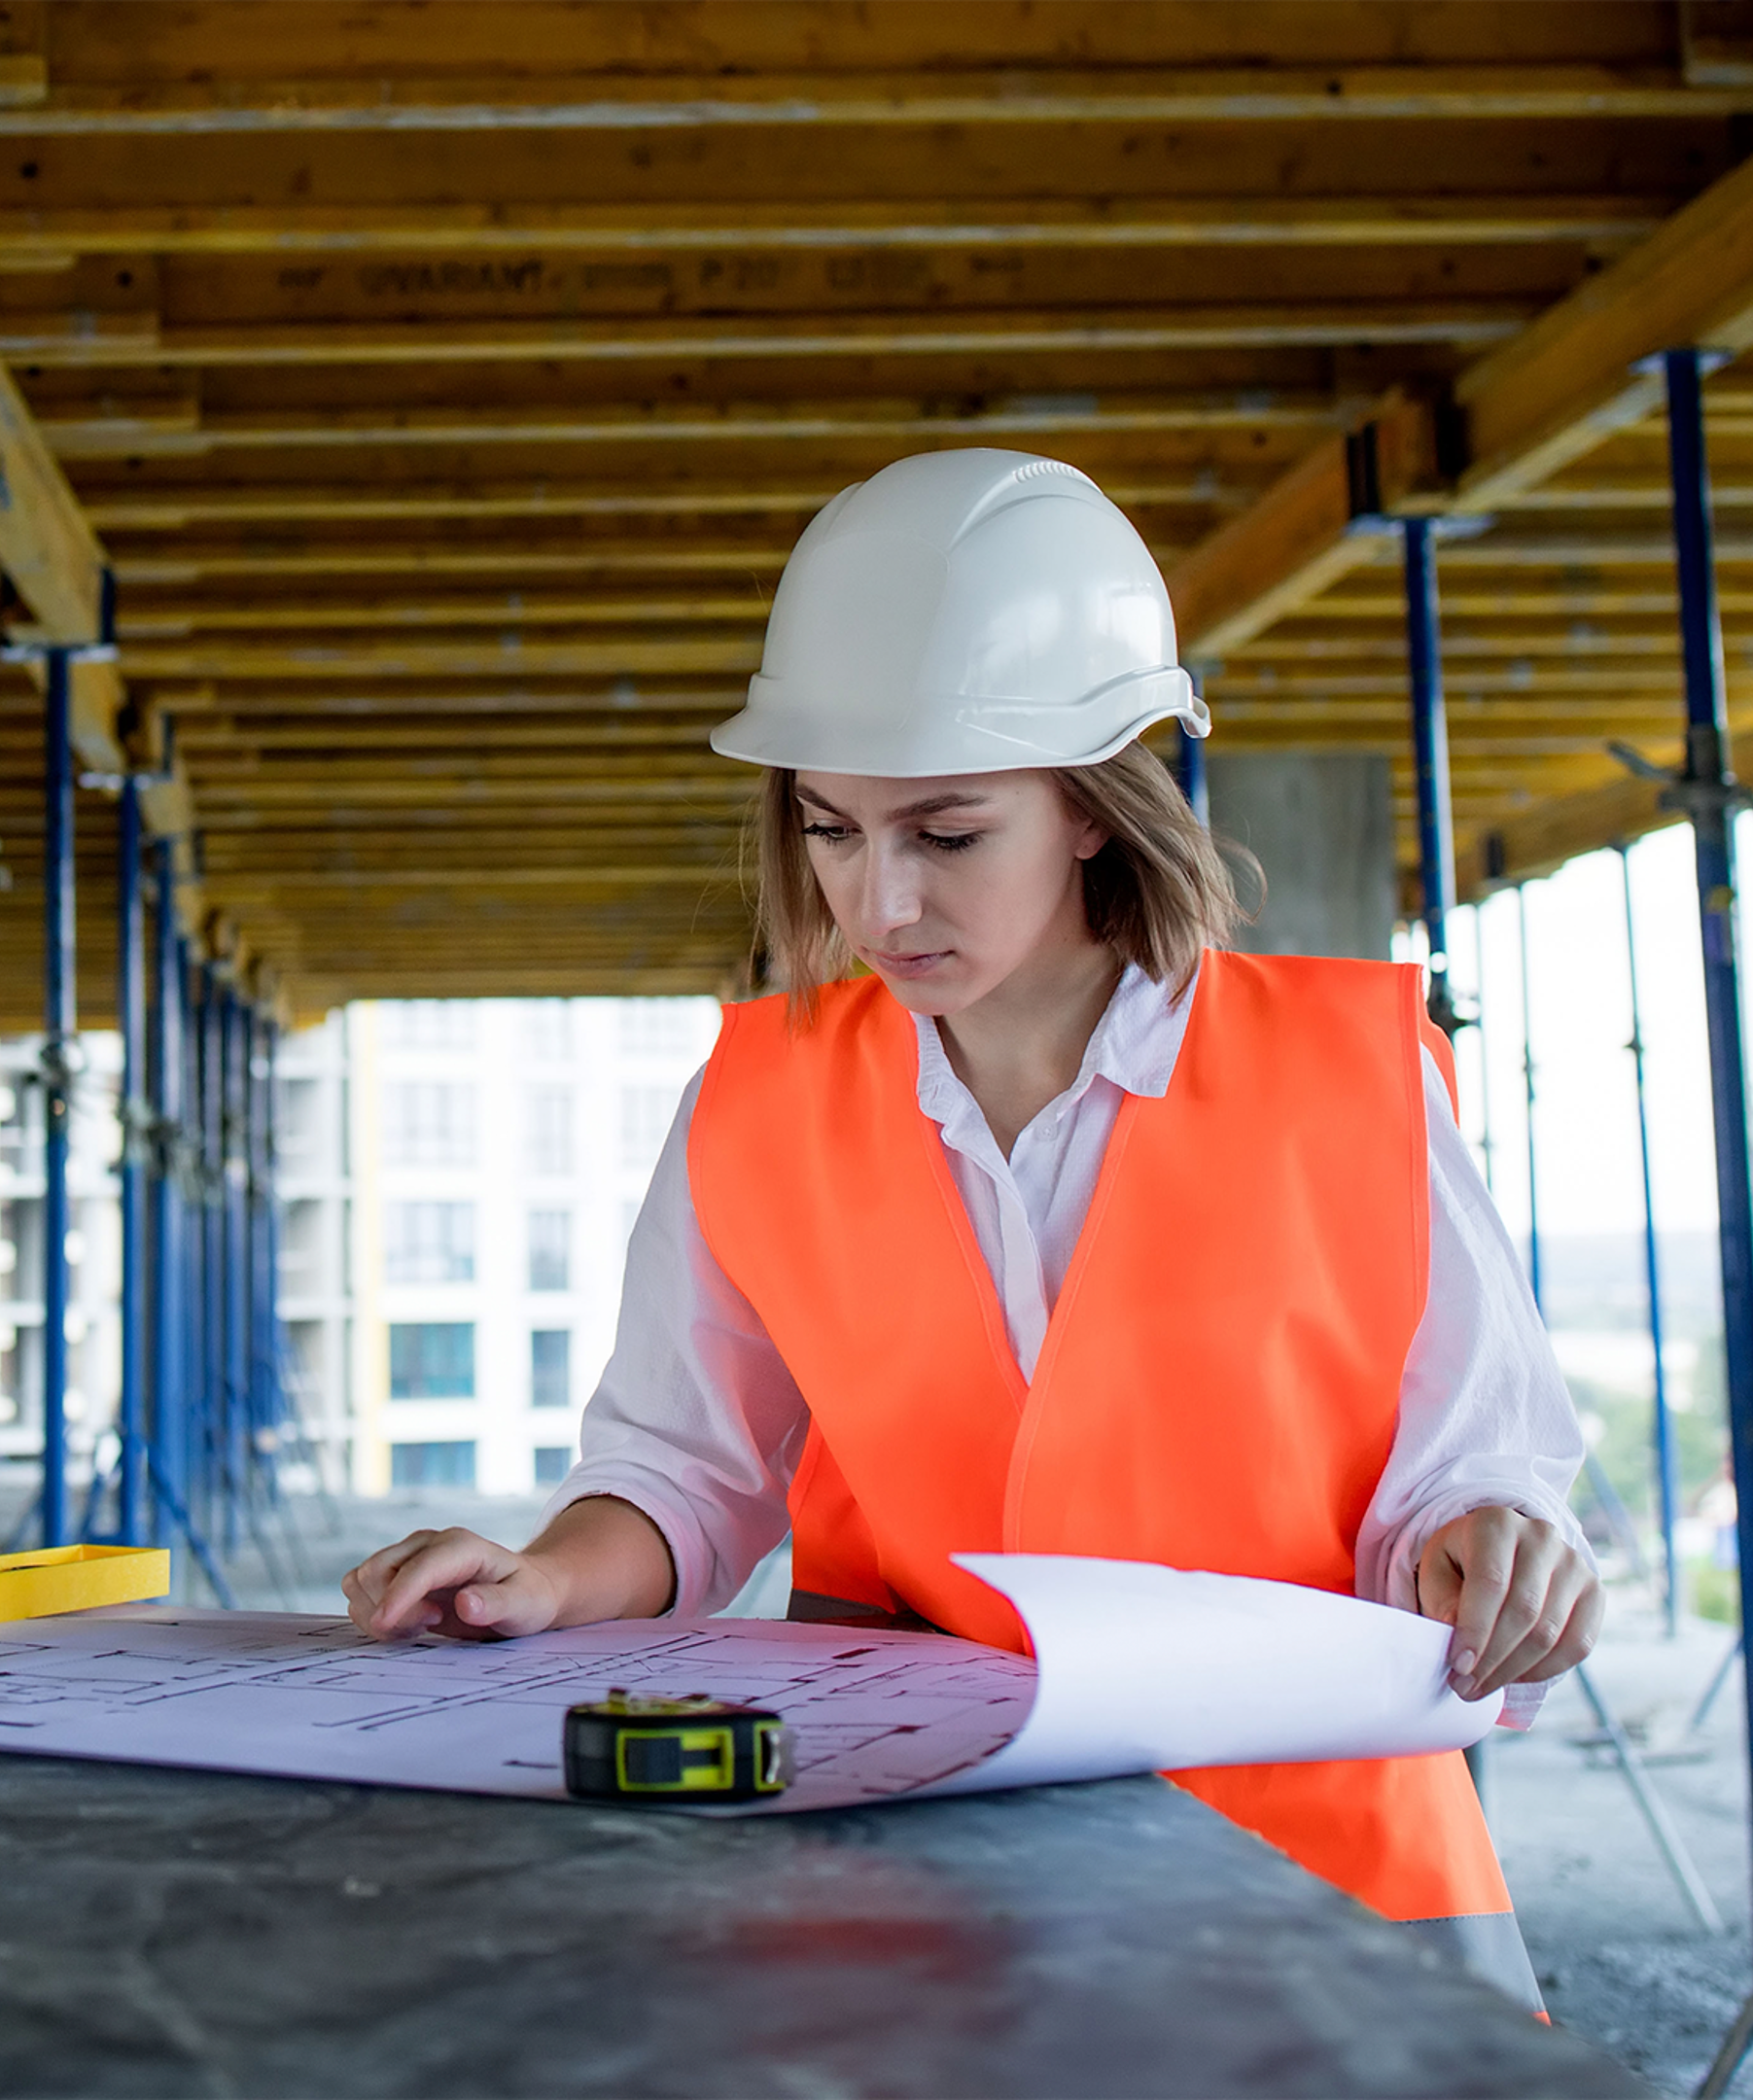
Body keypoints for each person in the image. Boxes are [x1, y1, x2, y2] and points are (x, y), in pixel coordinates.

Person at [336, 448, 1601, 2009]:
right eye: (831, 831)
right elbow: (683, 1477)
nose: (883, 906)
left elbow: (1468, 1476)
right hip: (918, 1862)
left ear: (1092, 807)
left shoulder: (1349, 1081)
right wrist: (548, 1580)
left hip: (1326, 1869)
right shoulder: (756, 1104)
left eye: (946, 834)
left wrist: (1492, 1547)